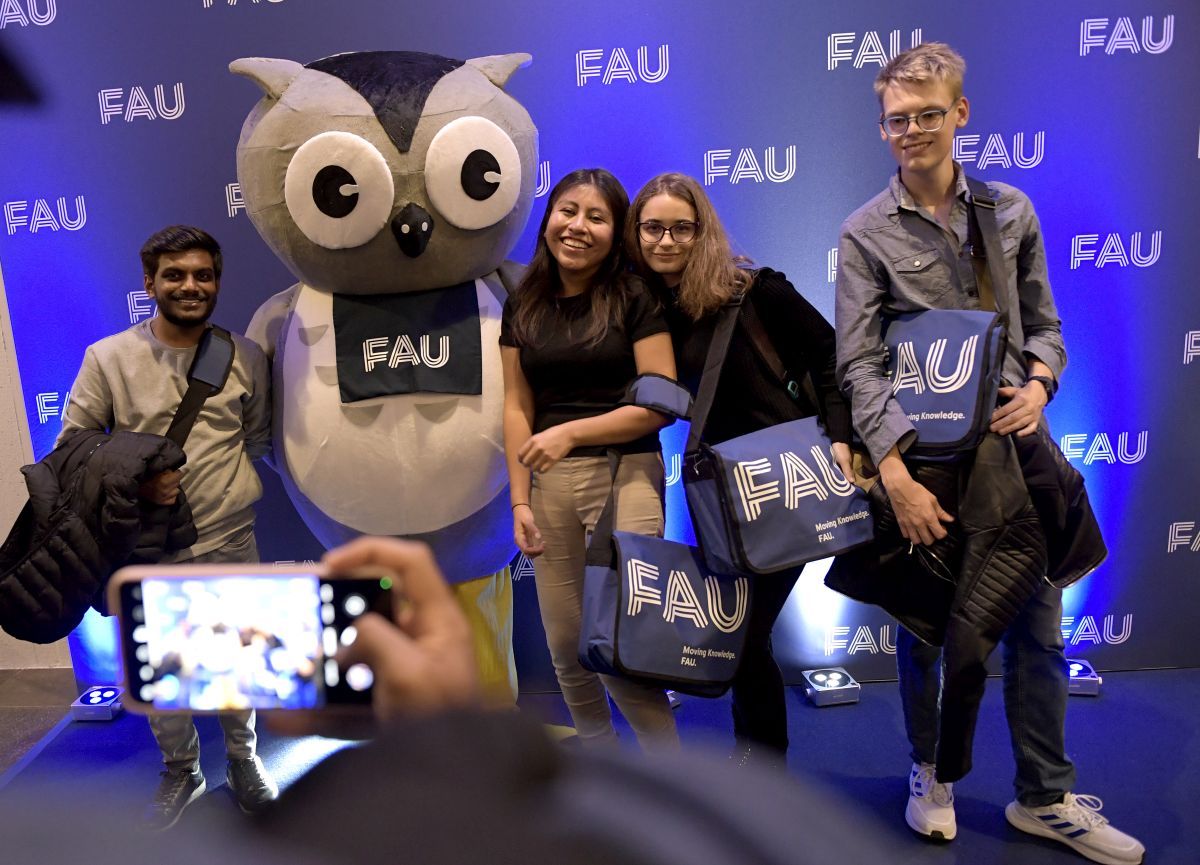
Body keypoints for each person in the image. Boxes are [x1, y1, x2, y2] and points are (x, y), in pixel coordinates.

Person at [832, 43, 1143, 864]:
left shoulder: (1011, 211)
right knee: (926, 635)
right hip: (925, 472)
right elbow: (859, 364)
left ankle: (1044, 795)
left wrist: (1040, 385)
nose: (912, 131)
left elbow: (1047, 327)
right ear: (883, 125)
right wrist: (892, 474)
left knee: (1039, 632)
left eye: (929, 114)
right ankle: (929, 775)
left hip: (1019, 461)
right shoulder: (864, 232)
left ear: (960, 114)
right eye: (897, 119)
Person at [626, 172, 854, 766]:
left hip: (788, 482)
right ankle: (755, 758)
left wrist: (842, 437)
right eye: (653, 228)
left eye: (681, 227)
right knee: (741, 630)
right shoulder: (648, 307)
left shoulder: (754, 290)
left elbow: (830, 356)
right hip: (721, 494)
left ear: (703, 231)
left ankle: (763, 762)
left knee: (747, 630)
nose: (667, 241)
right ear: (637, 233)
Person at [59, 225, 278, 828]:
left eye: (203, 275)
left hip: (231, 539)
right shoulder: (108, 358)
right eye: (175, 275)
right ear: (150, 282)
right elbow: (72, 450)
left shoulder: (245, 358)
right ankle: (182, 768)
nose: (190, 286)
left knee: (239, 664)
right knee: (162, 673)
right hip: (149, 549)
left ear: (216, 283)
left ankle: (243, 759)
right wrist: (134, 477)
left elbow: (254, 440)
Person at [500, 168, 680, 750]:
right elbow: (515, 406)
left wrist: (570, 434)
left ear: (616, 231)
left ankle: (669, 781)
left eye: (596, 217)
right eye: (567, 211)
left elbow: (659, 405)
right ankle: (600, 767)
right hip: (549, 487)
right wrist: (519, 500)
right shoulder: (523, 301)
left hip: (625, 474)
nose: (578, 227)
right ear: (548, 218)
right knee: (565, 644)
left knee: (621, 649)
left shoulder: (633, 296)